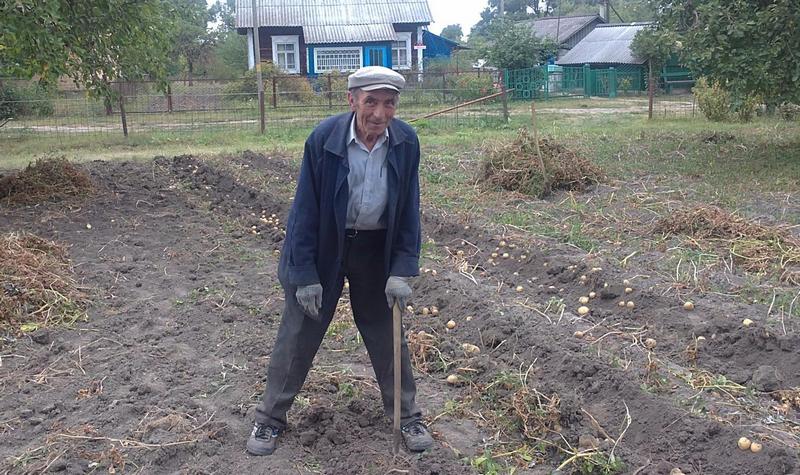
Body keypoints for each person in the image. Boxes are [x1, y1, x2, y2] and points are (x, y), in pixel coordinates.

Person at [246, 66, 433, 456]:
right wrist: (304, 275)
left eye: (389, 103)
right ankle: (269, 420)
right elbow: (305, 210)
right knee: (298, 333)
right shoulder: (324, 140)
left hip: (374, 248)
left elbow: (408, 208)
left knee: (387, 335)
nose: (380, 113)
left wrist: (401, 268)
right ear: (351, 101)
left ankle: (408, 416)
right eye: (371, 102)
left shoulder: (405, 142)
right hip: (326, 246)